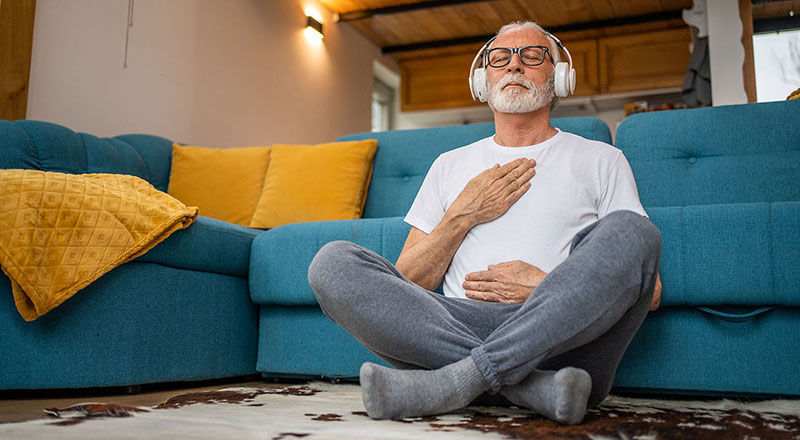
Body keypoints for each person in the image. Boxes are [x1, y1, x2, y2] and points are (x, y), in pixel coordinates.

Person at [308, 21, 662, 426]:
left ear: (560, 77)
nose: (514, 66)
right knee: (332, 262)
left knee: (636, 233)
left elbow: (648, 290)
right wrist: (463, 214)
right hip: (457, 325)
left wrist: (544, 288)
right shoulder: (449, 166)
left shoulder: (602, 159)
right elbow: (407, 280)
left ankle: (454, 383)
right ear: (483, 80)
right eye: (500, 58)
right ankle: (530, 388)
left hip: (564, 337)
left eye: (531, 56)